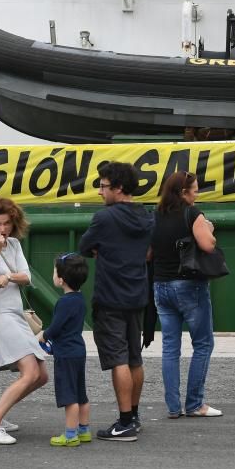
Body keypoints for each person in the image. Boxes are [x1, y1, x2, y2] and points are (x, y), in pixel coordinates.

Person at [77, 161, 155, 441]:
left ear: (118, 188)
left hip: (110, 296)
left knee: (118, 359)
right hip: (137, 294)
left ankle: (124, 423)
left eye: (103, 186)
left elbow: (84, 246)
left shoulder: (104, 218)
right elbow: (149, 252)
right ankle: (133, 415)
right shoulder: (147, 217)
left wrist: (104, 249)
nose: (100, 192)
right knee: (135, 358)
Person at [0, 198, 49, 445]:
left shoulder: (14, 244)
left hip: (16, 315)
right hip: (0, 315)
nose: (2, 228)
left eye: (6, 223)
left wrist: (8, 276)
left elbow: (26, 276)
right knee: (30, 372)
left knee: (42, 376)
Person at [149, 170, 221, 419]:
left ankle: (172, 406)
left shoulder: (155, 216)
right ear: (183, 193)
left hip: (161, 285)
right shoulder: (193, 214)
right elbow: (208, 245)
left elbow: (147, 254)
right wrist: (209, 228)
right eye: (195, 190)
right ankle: (194, 404)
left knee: (170, 347)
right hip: (189, 285)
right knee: (202, 343)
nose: (197, 194)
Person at [37, 253, 92, 447]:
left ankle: (70, 435)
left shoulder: (64, 302)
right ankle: (84, 431)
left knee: (69, 397)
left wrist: (42, 336)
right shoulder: (79, 299)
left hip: (66, 354)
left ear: (61, 279)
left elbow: (56, 327)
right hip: (78, 350)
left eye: (54, 272)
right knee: (80, 393)